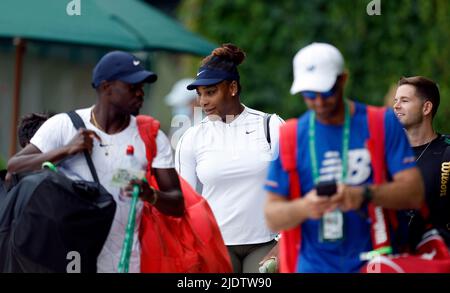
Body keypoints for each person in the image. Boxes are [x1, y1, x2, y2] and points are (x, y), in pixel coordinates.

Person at [7, 51, 184, 273]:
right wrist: (66, 150)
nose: (140, 94)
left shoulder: (153, 137)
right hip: (66, 260)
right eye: (133, 86)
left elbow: (177, 204)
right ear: (106, 87)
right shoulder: (64, 125)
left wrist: (150, 194)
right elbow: (16, 165)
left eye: (143, 87)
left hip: (125, 263)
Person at [264, 42, 424, 273]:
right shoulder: (292, 135)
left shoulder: (381, 123)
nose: (318, 102)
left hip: (376, 261)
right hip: (313, 265)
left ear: (343, 80)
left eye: (327, 92)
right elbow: (272, 216)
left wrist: (363, 194)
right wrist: (305, 207)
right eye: (309, 94)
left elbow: (414, 193)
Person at [175, 43, 284, 273]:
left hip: (265, 244)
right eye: (200, 94)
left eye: (210, 92)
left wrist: (284, 242)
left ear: (232, 87)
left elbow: (296, 184)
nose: (203, 101)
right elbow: (183, 203)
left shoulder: (271, 126)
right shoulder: (191, 138)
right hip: (214, 246)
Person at [393, 76, 450, 247]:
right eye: (396, 100)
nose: (396, 106)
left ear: (426, 107)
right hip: (395, 259)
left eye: (404, 100)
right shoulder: (388, 152)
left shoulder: (447, 152)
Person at [164, 78, 201, 149]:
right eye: (176, 106)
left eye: (181, 105)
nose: (176, 110)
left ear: (196, 102)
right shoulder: (179, 126)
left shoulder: (205, 127)